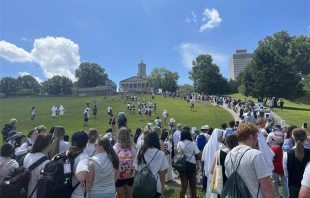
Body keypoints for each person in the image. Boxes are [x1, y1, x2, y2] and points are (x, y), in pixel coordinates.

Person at [224, 123, 275, 198]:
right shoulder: (256, 155)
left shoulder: (229, 155)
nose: (257, 140)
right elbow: (267, 188)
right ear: (251, 136)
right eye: (256, 137)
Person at [134, 132, 169, 198]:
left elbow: (136, 171)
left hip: (141, 184)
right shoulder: (161, 154)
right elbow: (162, 175)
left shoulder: (140, 152)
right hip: (155, 185)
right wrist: (162, 193)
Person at [283, 128, 310, 198]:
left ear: (292, 137)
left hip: (293, 187)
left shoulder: (287, 154)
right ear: (305, 138)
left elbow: (286, 173)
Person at [177, 126, 201, 198]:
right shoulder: (192, 144)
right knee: (193, 186)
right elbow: (198, 155)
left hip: (182, 165)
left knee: (183, 186)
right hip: (191, 165)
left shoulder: (179, 143)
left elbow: (178, 153)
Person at [113, 128, 137, 198]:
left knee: (121, 196)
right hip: (130, 174)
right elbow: (135, 161)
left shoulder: (115, 148)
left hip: (119, 175)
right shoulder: (133, 148)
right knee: (130, 195)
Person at [202, 129, 225, 198]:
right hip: (219, 168)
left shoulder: (207, 145)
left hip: (209, 168)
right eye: (221, 136)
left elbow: (203, 158)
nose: (222, 138)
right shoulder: (222, 146)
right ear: (218, 136)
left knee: (210, 186)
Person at [69, 130, 90, 198]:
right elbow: (81, 177)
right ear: (86, 144)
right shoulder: (83, 157)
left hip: (61, 193)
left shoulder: (61, 155)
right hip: (76, 194)